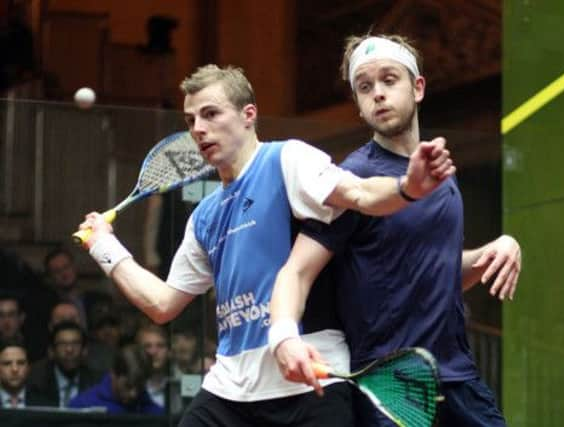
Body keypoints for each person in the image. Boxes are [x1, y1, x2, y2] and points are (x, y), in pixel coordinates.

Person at [77, 63, 455, 427]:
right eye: (191, 120)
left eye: (210, 114)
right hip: (229, 390)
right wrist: (105, 248)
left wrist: (407, 187)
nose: (199, 129)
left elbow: (359, 191)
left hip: (311, 378)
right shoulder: (204, 215)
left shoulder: (287, 159)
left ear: (248, 114)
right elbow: (163, 305)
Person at [269, 34, 522, 427]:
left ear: (417, 87)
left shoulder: (440, 175)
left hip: (458, 378)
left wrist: (497, 249)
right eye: (365, 87)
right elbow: (297, 271)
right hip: (392, 388)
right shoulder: (351, 180)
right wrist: (284, 336)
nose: (378, 95)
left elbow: (441, 272)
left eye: (389, 80)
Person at [68, 344, 163, 414]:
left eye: (140, 386)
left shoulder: (156, 414)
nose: (134, 394)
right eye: (128, 386)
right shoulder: (81, 407)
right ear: (113, 374)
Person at [28, 321, 101, 407]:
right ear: (51, 351)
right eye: (62, 344)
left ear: (85, 350)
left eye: (75, 343)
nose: (69, 350)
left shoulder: (97, 383)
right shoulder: (36, 383)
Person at [0, 338, 51, 408]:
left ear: (28, 368)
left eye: (21, 363)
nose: (15, 369)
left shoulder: (45, 405)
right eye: (7, 363)